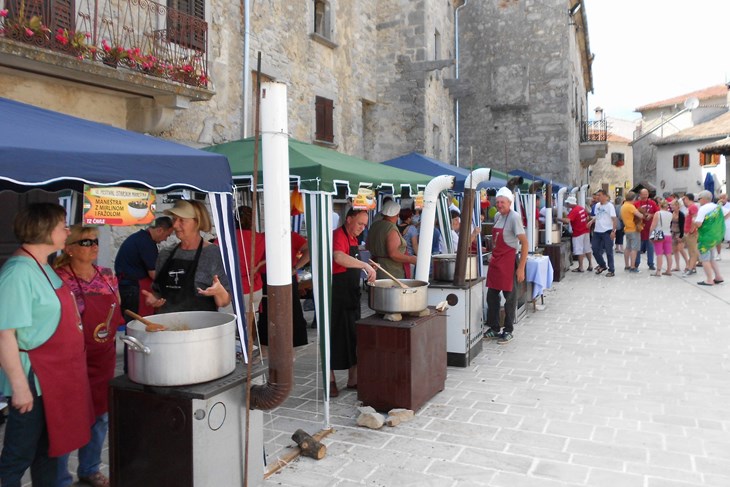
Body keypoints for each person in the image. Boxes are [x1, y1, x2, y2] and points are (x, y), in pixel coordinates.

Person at [0, 203, 94, 486]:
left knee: (50, 452)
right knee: (18, 456)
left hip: (55, 377)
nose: (68, 231)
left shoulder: (42, 265)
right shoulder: (18, 273)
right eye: (62, 226)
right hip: (34, 377)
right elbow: (5, 335)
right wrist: (20, 388)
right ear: (43, 230)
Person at [54, 225, 125, 487]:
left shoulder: (106, 275)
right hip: (71, 357)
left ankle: (90, 467)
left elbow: (116, 306)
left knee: (100, 415)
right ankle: (59, 475)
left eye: (95, 241)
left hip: (102, 357)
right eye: (86, 242)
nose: (94, 246)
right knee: (67, 416)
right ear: (69, 249)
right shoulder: (58, 278)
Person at [144, 199, 231, 312]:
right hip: (167, 326)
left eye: (182, 220)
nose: (175, 225)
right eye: (174, 219)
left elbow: (224, 301)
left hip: (201, 326)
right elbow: (158, 292)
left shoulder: (213, 254)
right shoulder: (165, 254)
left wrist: (219, 291)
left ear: (197, 222)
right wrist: (154, 299)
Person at [330, 209, 377, 397]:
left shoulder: (354, 238)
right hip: (336, 293)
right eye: (359, 224)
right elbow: (338, 257)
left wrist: (368, 266)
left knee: (353, 335)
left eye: (365, 225)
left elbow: (351, 260)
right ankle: (331, 381)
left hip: (351, 293)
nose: (362, 228)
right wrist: (364, 265)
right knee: (334, 337)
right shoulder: (338, 235)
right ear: (348, 219)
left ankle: (353, 379)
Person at [484, 187, 528, 344]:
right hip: (497, 261)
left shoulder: (514, 217)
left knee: (510, 298)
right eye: (498, 202)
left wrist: (521, 268)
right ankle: (494, 327)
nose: (499, 204)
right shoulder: (497, 216)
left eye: (503, 202)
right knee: (491, 296)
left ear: (510, 202)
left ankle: (508, 330)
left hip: (509, 261)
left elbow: (524, 243)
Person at [115, 216, 173, 320]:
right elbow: (154, 274)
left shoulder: (138, 237)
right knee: (137, 322)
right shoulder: (147, 243)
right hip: (133, 289)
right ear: (159, 230)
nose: (165, 239)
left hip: (127, 286)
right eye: (167, 235)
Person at [366, 200, 416, 279]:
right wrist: (411, 259)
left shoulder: (374, 225)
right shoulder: (391, 228)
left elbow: (367, 246)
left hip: (376, 269)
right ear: (397, 214)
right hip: (391, 272)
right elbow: (393, 254)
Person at [235, 206, 266, 317]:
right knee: (250, 327)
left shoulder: (227, 238)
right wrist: (259, 265)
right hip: (254, 286)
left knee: (229, 330)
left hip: (233, 288)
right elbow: (275, 255)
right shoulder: (260, 237)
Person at [694, 190, 725, 286]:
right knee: (711, 258)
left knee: (705, 259)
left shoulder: (703, 208)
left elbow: (698, 224)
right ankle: (718, 277)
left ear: (703, 199)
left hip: (705, 238)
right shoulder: (717, 207)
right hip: (715, 236)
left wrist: (693, 220)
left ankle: (709, 280)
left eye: (699, 199)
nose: (698, 201)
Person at [589, 189, 617, 277]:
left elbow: (614, 219)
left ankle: (611, 270)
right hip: (597, 231)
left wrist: (613, 231)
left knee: (609, 251)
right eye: (597, 195)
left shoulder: (610, 206)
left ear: (605, 196)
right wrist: (591, 221)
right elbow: (597, 215)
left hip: (607, 231)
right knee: (595, 249)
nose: (597, 197)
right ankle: (602, 265)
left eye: (599, 195)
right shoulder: (597, 205)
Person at [560, 196, 591, 272]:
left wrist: (557, 218)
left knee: (579, 249)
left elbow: (567, 221)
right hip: (586, 231)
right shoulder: (581, 208)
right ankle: (590, 265)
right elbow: (587, 218)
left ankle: (581, 267)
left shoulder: (574, 211)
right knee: (587, 248)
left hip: (578, 232)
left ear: (570, 203)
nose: (566, 204)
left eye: (567, 203)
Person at [634, 189, 659, 270]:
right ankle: (636, 263)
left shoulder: (652, 203)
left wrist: (651, 215)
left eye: (646, 194)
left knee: (651, 247)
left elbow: (657, 212)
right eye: (643, 194)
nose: (645, 196)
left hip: (651, 228)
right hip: (639, 228)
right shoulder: (636, 204)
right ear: (640, 195)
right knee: (638, 247)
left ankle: (651, 263)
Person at [620, 191, 644, 273]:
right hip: (633, 229)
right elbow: (640, 215)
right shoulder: (630, 206)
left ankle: (627, 265)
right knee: (634, 248)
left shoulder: (623, 206)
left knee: (628, 248)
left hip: (627, 229)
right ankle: (633, 266)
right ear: (633, 198)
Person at [648, 199, 673, 277]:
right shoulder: (670, 214)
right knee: (668, 253)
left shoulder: (658, 213)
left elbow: (653, 225)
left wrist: (650, 234)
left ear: (659, 205)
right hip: (668, 234)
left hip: (658, 233)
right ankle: (669, 270)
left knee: (659, 253)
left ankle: (658, 271)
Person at [682, 193, 700, 277]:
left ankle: (690, 268)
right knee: (691, 251)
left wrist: (691, 230)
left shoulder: (693, 207)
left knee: (693, 251)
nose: (683, 201)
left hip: (691, 233)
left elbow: (694, 219)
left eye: (684, 199)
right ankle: (693, 267)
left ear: (687, 198)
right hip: (688, 232)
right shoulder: (690, 207)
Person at [669, 199, 688, 272]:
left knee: (681, 249)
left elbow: (683, 226)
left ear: (677, 206)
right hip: (673, 232)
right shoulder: (671, 213)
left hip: (680, 233)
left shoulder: (681, 215)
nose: (671, 206)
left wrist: (681, 236)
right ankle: (677, 266)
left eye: (673, 205)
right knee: (675, 250)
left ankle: (687, 263)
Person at [400, 208, 419, 278]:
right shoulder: (412, 229)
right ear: (408, 218)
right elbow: (415, 246)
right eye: (412, 216)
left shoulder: (396, 227)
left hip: (398, 259)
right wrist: (419, 257)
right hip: (410, 259)